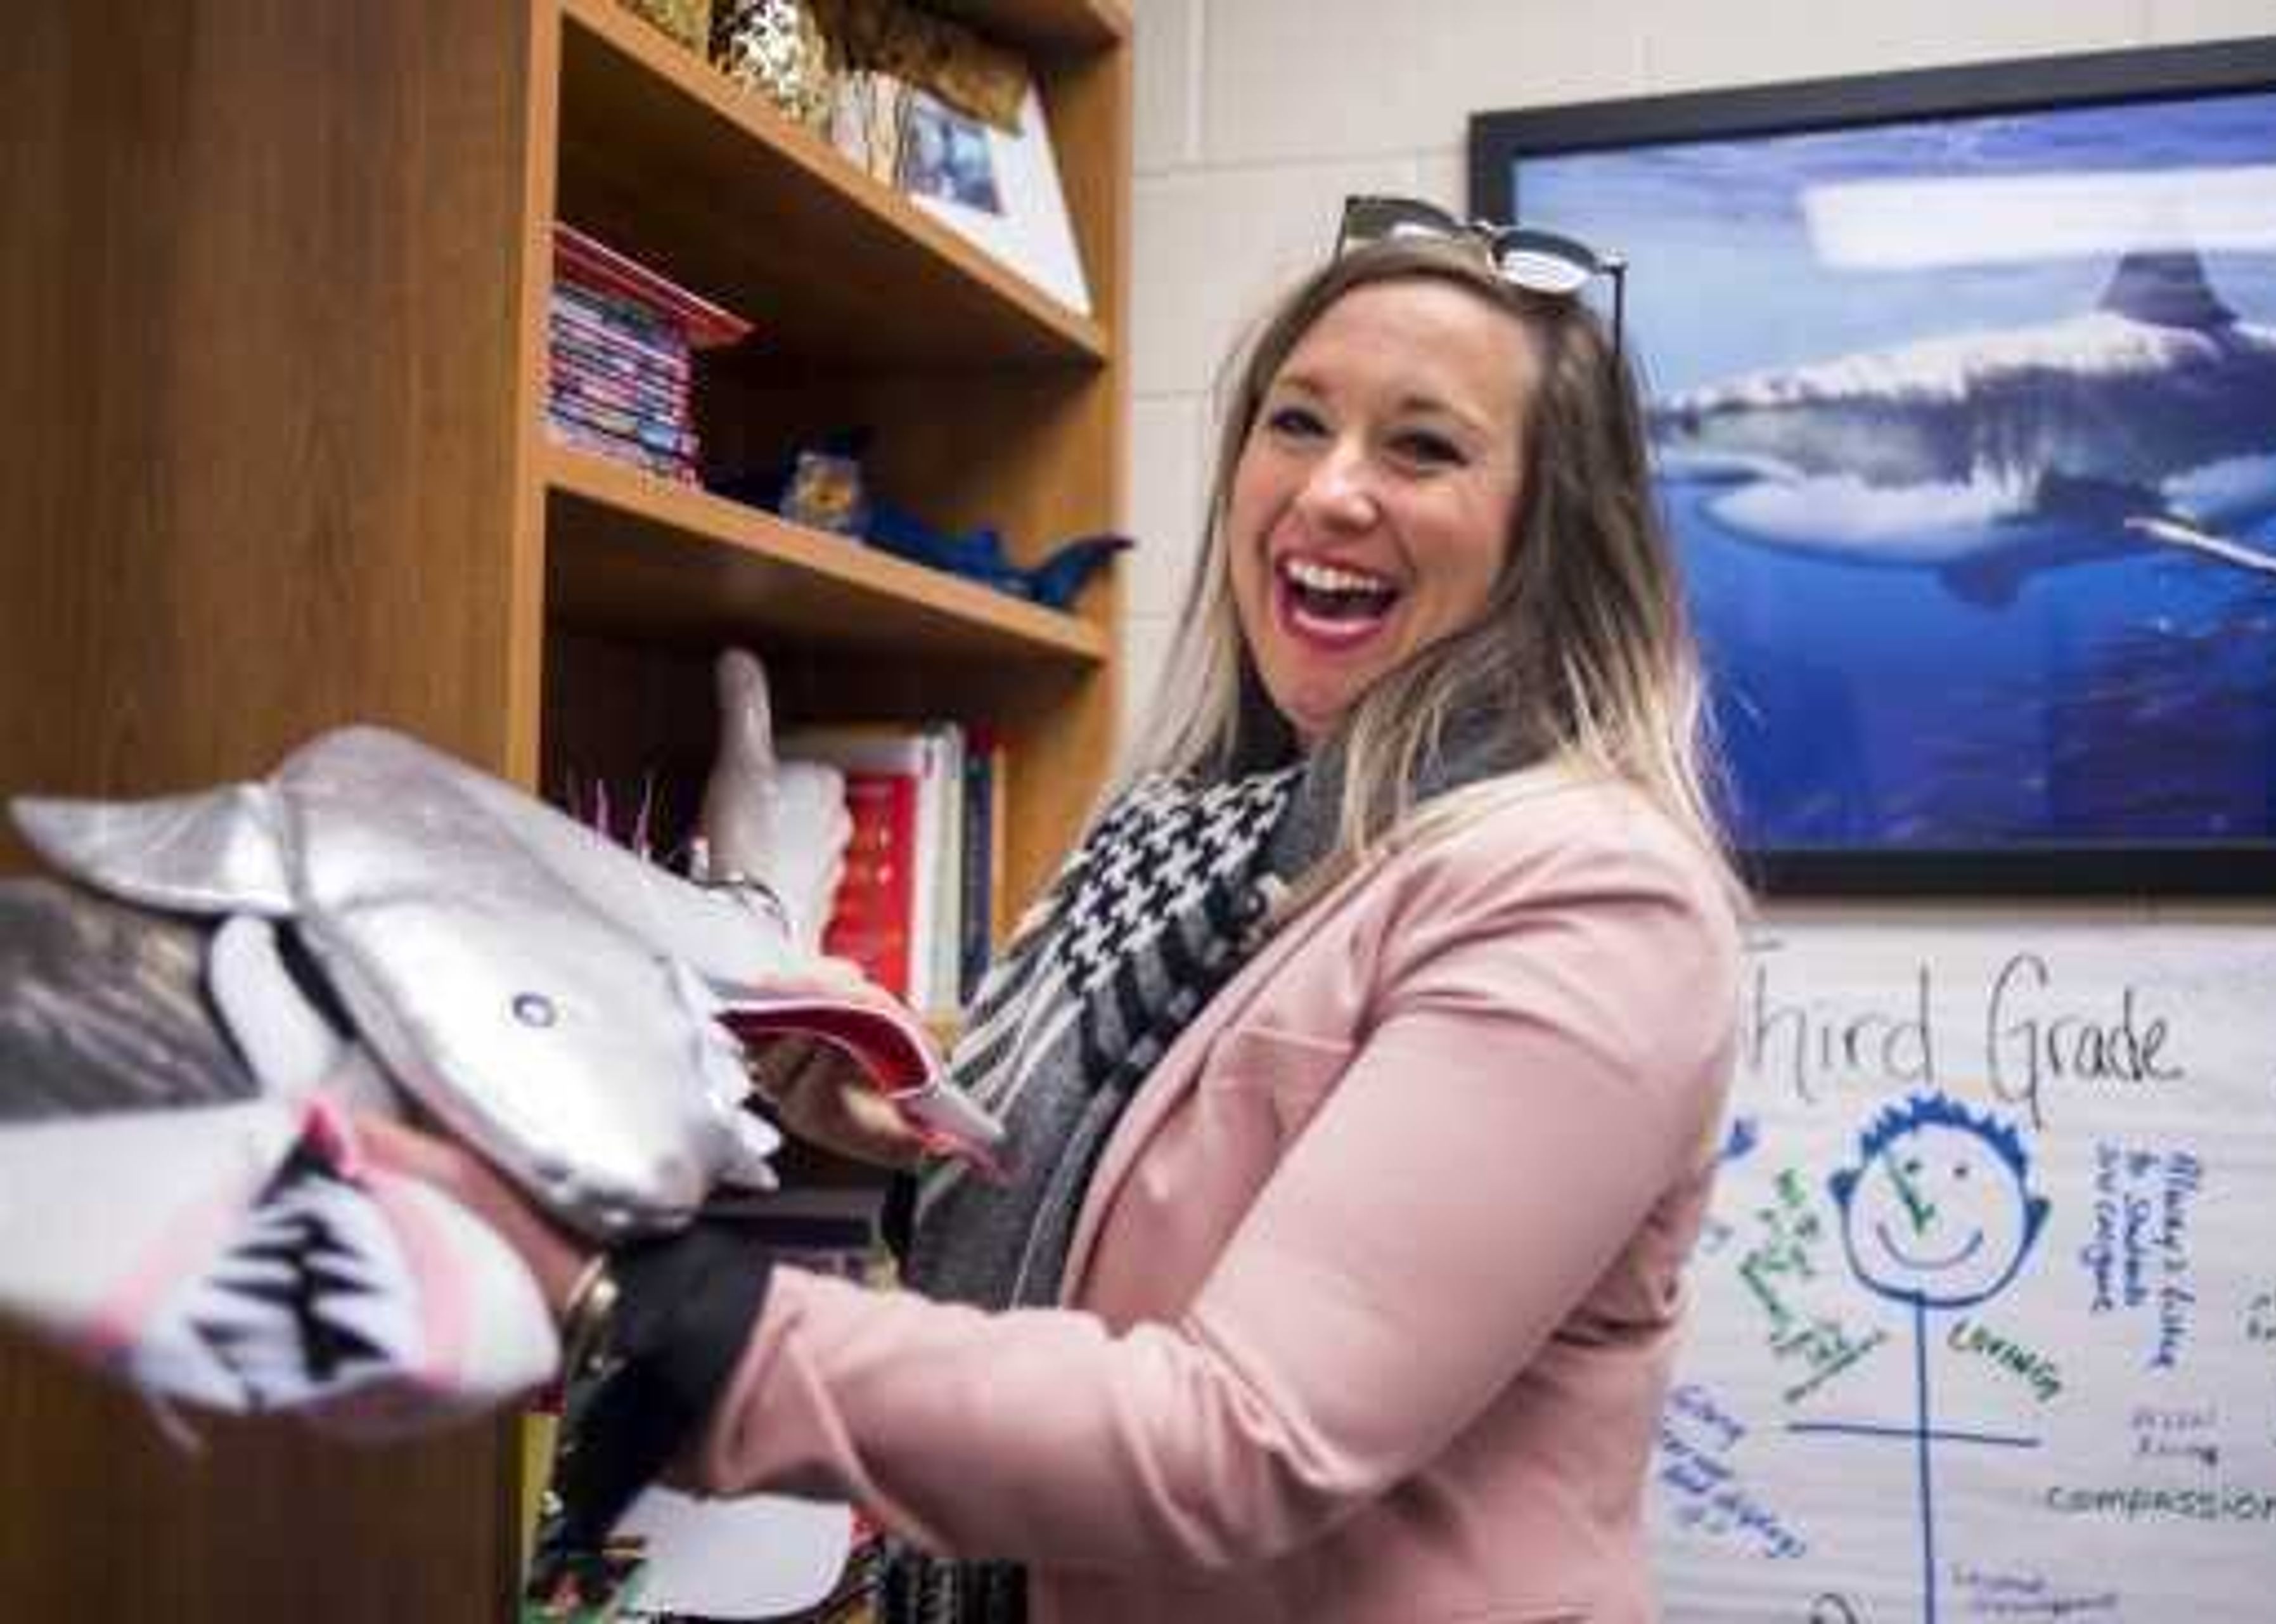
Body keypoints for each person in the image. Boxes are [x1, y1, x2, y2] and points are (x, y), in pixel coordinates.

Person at [363, 194, 1746, 1623]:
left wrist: (651, 1317)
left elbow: (1240, 1439)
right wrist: (915, 1147)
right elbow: (1161, 1222)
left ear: (1548, 542)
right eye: (1295, 422)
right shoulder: (1211, 835)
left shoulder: (1590, 899)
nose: (1331, 491)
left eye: (1425, 446)